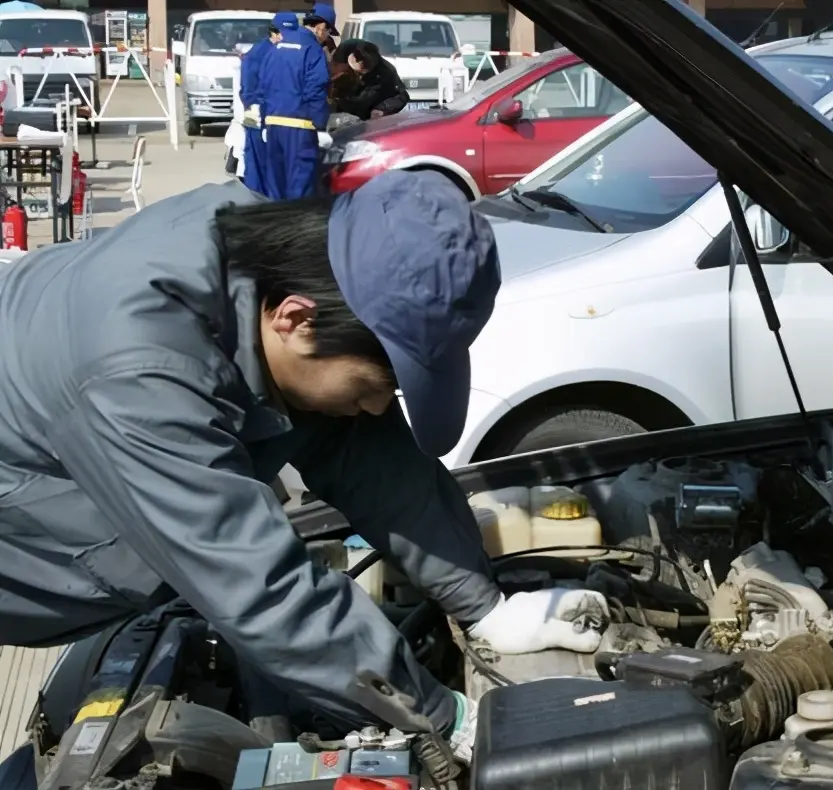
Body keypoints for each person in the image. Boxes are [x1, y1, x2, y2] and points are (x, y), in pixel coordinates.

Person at [0, 169, 610, 764]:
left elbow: (372, 458)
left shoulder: (290, 266)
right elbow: (258, 586)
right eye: (377, 387)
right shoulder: (138, 370)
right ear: (295, 320)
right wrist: (443, 718)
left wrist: (485, 608)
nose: (376, 408)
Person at [256, 3, 336, 199]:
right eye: (327, 33)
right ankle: (296, 229)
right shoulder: (312, 49)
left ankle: (275, 228)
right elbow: (316, 88)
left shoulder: (277, 47)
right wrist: (319, 125)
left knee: (277, 187)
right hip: (300, 127)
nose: (326, 38)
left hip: (273, 126)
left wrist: (265, 118)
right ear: (320, 27)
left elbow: (264, 84)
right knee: (300, 189)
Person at [239, 12, 299, 194]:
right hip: (259, 122)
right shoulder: (258, 54)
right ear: (274, 32)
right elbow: (249, 90)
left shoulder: (284, 51)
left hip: (277, 120)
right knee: (260, 174)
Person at [332, 39, 410, 121]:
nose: (360, 79)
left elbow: (401, 96)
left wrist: (383, 108)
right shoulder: (345, 50)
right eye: (357, 73)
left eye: (363, 74)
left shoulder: (385, 72)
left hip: (366, 114)